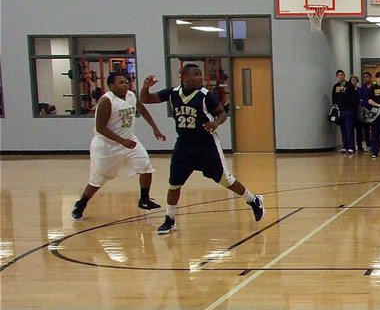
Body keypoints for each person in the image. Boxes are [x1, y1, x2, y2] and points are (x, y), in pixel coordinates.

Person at [139, 64, 264, 235]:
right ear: (183, 77)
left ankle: (253, 200)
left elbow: (222, 113)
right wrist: (146, 87)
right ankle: (169, 218)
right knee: (174, 183)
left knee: (225, 179)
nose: (200, 78)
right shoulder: (172, 93)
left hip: (206, 143)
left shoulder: (206, 95)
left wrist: (215, 123)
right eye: (196, 74)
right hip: (184, 144)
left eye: (201, 75)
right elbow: (146, 99)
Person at [71, 72, 167, 220]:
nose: (125, 85)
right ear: (111, 85)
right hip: (107, 145)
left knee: (146, 167)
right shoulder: (106, 101)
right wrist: (122, 141)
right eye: (121, 82)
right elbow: (100, 127)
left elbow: (143, 110)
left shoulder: (131, 96)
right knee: (99, 179)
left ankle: (144, 199)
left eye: (126, 82)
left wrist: (155, 128)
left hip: (129, 141)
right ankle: (81, 204)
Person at [332, 69, 357, 154]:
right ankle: (345, 146)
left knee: (349, 128)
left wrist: (351, 107)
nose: (341, 76)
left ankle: (351, 147)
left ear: (344, 76)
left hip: (348, 110)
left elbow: (353, 97)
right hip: (340, 110)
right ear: (337, 76)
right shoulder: (336, 86)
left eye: (342, 74)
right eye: (339, 75)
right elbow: (334, 97)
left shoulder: (349, 85)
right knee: (343, 129)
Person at [355, 72, 373, 151]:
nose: (366, 78)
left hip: (372, 110)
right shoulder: (361, 89)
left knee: (372, 129)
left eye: (367, 76)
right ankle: (364, 145)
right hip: (364, 111)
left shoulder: (374, 87)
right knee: (363, 129)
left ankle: (372, 144)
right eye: (364, 77)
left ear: (370, 77)